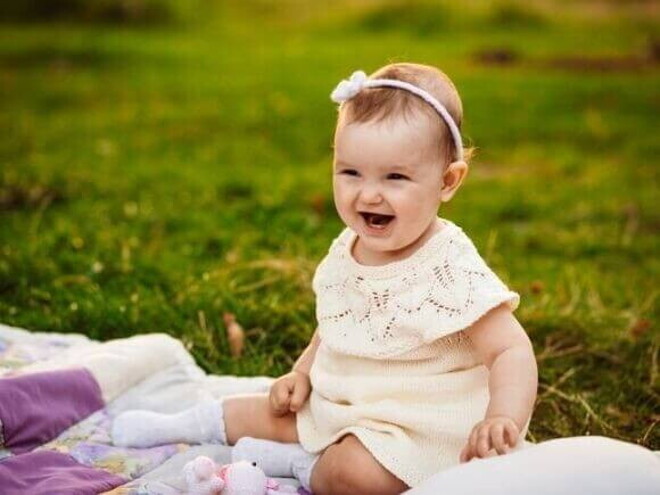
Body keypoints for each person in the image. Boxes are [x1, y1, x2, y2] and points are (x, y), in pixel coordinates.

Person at [112, 63, 539, 495]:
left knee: (353, 473)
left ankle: (301, 465)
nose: (368, 193)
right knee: (270, 410)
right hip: (342, 403)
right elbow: (336, 323)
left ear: (447, 181)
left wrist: (502, 417)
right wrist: (301, 373)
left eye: (395, 177)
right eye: (350, 172)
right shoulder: (349, 246)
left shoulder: (448, 263)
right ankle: (182, 423)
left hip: (415, 426)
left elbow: (511, 349)